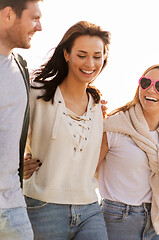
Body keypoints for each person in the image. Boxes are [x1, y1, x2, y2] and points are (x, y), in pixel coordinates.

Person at [23, 21, 110, 239]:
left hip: (90, 207)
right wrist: (15, 165)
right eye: (82, 55)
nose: (90, 63)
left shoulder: (98, 106)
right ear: (67, 54)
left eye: (97, 56)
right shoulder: (36, 95)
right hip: (43, 207)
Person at [97, 64, 159, 240]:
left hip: (155, 219)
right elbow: (85, 170)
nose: (151, 89)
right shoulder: (115, 126)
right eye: (145, 82)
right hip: (117, 219)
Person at [0, 0, 42, 239]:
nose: (39, 27)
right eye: (34, 18)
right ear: (8, 15)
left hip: (14, 206)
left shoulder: (20, 66)